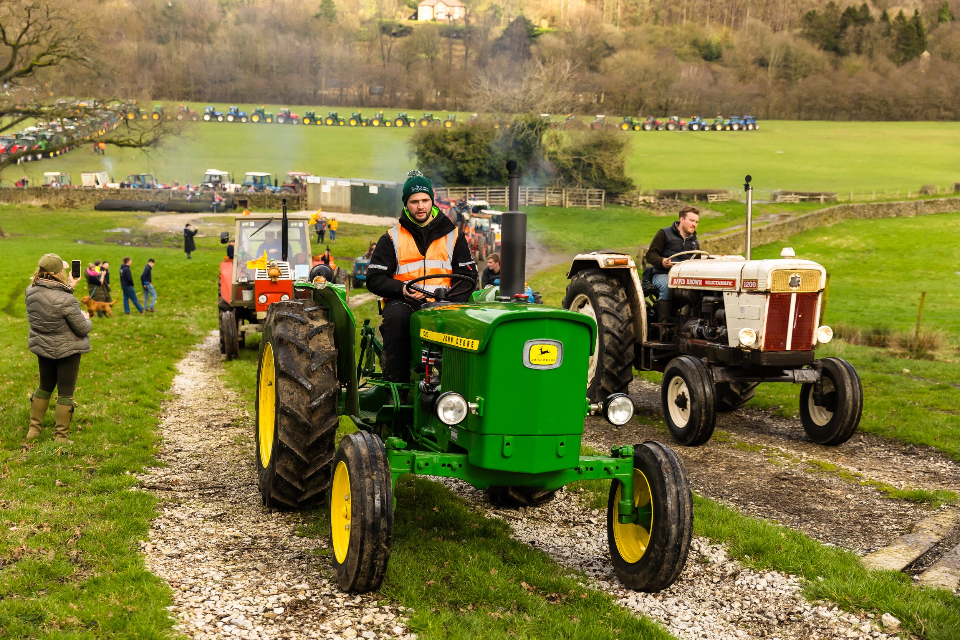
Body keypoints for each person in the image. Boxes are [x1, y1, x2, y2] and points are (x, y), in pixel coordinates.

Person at [366, 170, 477, 383]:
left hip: (447, 303)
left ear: (432, 202)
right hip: (406, 302)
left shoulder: (454, 235)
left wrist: (451, 300)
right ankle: (396, 386)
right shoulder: (391, 238)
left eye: (425, 200)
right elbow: (374, 278)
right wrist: (402, 289)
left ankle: (461, 384)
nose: (420, 206)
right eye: (414, 201)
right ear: (406, 204)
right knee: (396, 319)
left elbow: (468, 277)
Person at [25, 253, 92, 443]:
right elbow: (82, 327)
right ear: (56, 274)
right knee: (65, 392)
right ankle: (61, 437)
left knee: (44, 386)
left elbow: (50, 302)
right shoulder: (66, 300)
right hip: (67, 351)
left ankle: (34, 430)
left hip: (43, 347)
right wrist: (86, 319)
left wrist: (69, 287)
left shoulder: (30, 291)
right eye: (62, 269)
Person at [645, 205, 701, 323]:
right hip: (662, 274)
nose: (694, 224)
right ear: (681, 219)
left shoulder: (694, 242)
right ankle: (664, 323)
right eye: (691, 220)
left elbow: (697, 263)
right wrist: (662, 261)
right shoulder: (664, 233)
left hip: (684, 278)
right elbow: (650, 255)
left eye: (696, 222)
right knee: (667, 285)